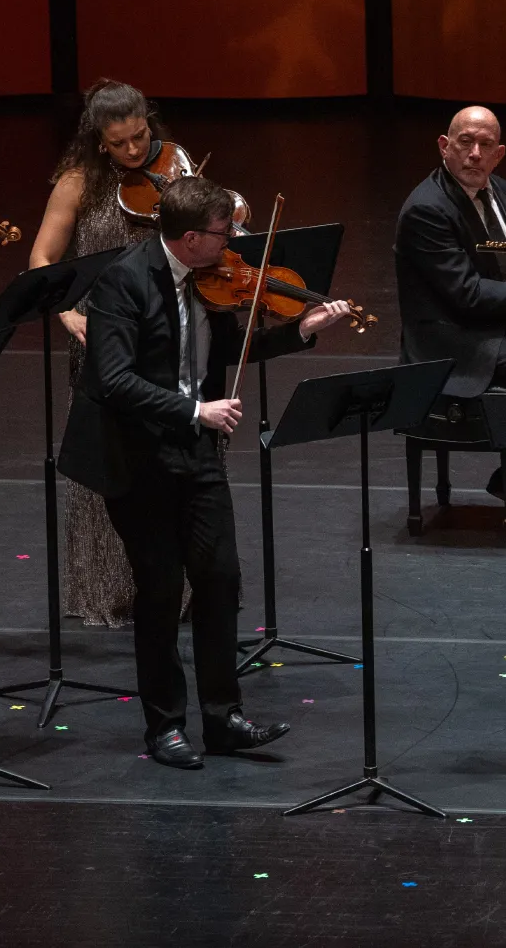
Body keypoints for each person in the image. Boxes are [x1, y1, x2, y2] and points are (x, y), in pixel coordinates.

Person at [60, 176, 353, 769]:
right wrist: (197, 409)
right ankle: (164, 726)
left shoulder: (210, 279)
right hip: (136, 457)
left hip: (195, 451)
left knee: (220, 581)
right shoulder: (124, 281)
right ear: (190, 237)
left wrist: (300, 330)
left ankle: (223, 719)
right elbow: (114, 380)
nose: (233, 246)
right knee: (162, 592)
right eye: (224, 235)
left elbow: (227, 351)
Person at [30, 79, 189, 625]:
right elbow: (43, 263)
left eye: (140, 137)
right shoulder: (76, 184)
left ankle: (175, 587)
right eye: (119, 143)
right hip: (102, 338)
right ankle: (109, 589)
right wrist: (67, 312)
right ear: (99, 142)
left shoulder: (175, 169)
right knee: (109, 464)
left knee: (171, 460)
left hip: (168, 336)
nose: (133, 151)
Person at [393, 105, 506, 533]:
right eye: (464, 142)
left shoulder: (503, 191)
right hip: (455, 341)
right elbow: (467, 295)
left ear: (499, 153)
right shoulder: (426, 209)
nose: (474, 153)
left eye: (485, 145)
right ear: (444, 146)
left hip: (499, 320)